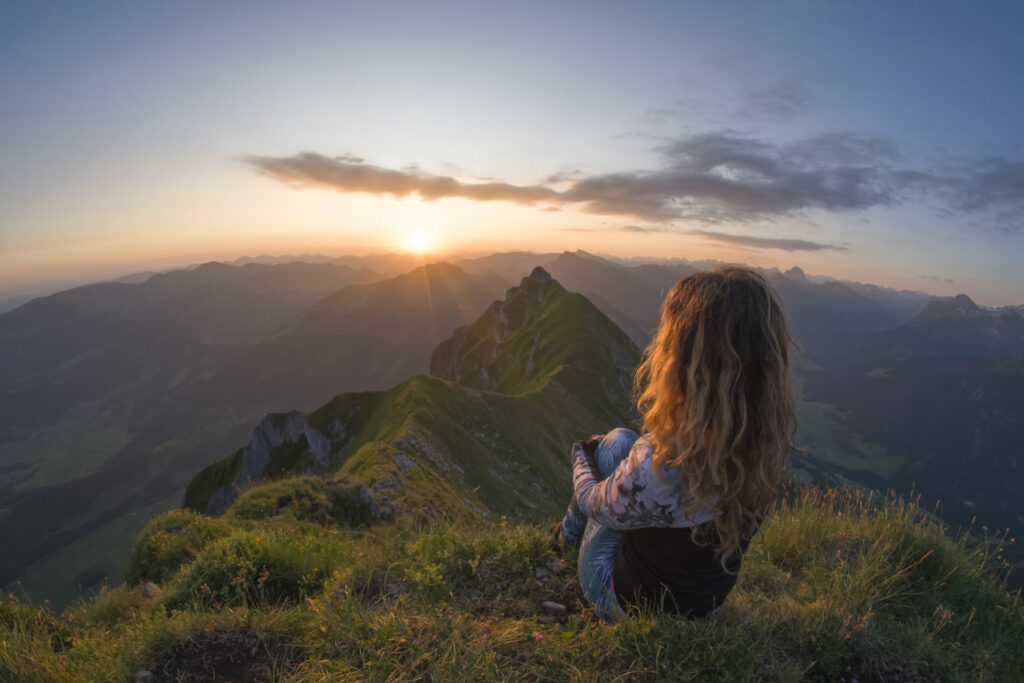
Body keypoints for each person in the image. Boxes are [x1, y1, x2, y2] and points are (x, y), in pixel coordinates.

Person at [551, 266, 797, 621]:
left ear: (687, 362)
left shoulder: (665, 460)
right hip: (704, 603)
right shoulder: (765, 447)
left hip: (628, 602)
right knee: (622, 442)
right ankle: (566, 533)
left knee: (611, 448)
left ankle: (564, 537)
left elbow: (595, 504)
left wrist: (581, 453)